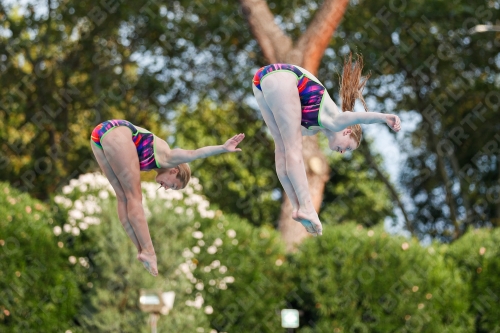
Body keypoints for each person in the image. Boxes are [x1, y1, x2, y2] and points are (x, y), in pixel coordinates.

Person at [252, 53, 401, 237]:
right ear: (348, 131)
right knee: (293, 149)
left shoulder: (311, 129)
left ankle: (298, 206)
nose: (343, 151)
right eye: (348, 147)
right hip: (284, 75)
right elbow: (361, 116)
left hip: (260, 82)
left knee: (282, 149)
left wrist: (296, 201)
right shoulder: (338, 120)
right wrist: (385, 118)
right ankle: (307, 207)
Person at [90, 119, 245, 276]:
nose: (166, 188)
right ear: (175, 171)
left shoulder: (155, 164)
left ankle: (142, 250)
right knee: (134, 198)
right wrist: (222, 148)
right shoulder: (169, 157)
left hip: (98, 137)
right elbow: (194, 153)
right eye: (173, 186)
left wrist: (141, 247)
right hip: (116, 131)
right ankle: (150, 252)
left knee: (123, 197)